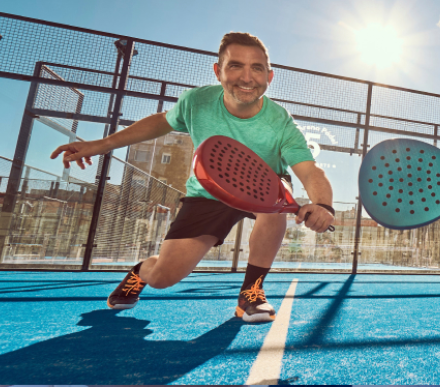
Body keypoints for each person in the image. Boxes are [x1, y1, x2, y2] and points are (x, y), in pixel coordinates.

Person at [51, 32, 336, 323]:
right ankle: (141, 272)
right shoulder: (197, 101)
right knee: (163, 277)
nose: (247, 77)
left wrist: (323, 205)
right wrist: (100, 145)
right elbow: (162, 122)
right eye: (235, 66)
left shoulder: (280, 122)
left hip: (262, 190)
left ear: (269, 77)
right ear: (218, 71)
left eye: (257, 68)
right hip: (207, 194)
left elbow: (309, 170)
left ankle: (251, 293)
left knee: (275, 206)